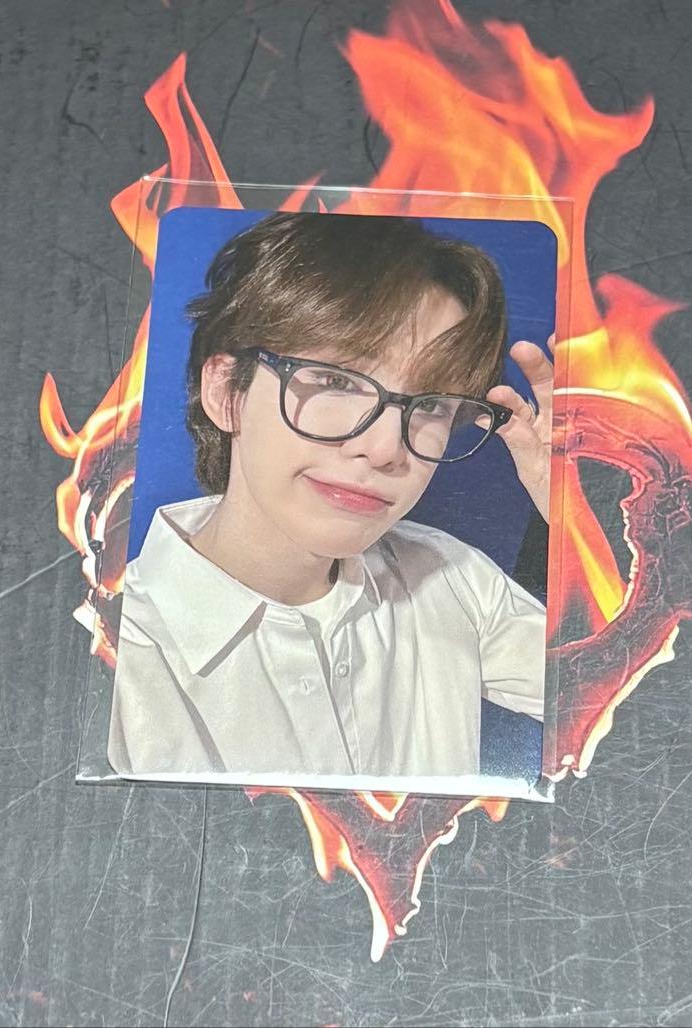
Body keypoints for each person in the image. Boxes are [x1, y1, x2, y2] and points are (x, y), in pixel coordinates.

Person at [108, 211, 555, 784]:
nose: (384, 448)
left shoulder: (451, 577)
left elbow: (627, 705)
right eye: (336, 380)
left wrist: (574, 510)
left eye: (431, 405)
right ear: (225, 392)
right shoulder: (113, 646)